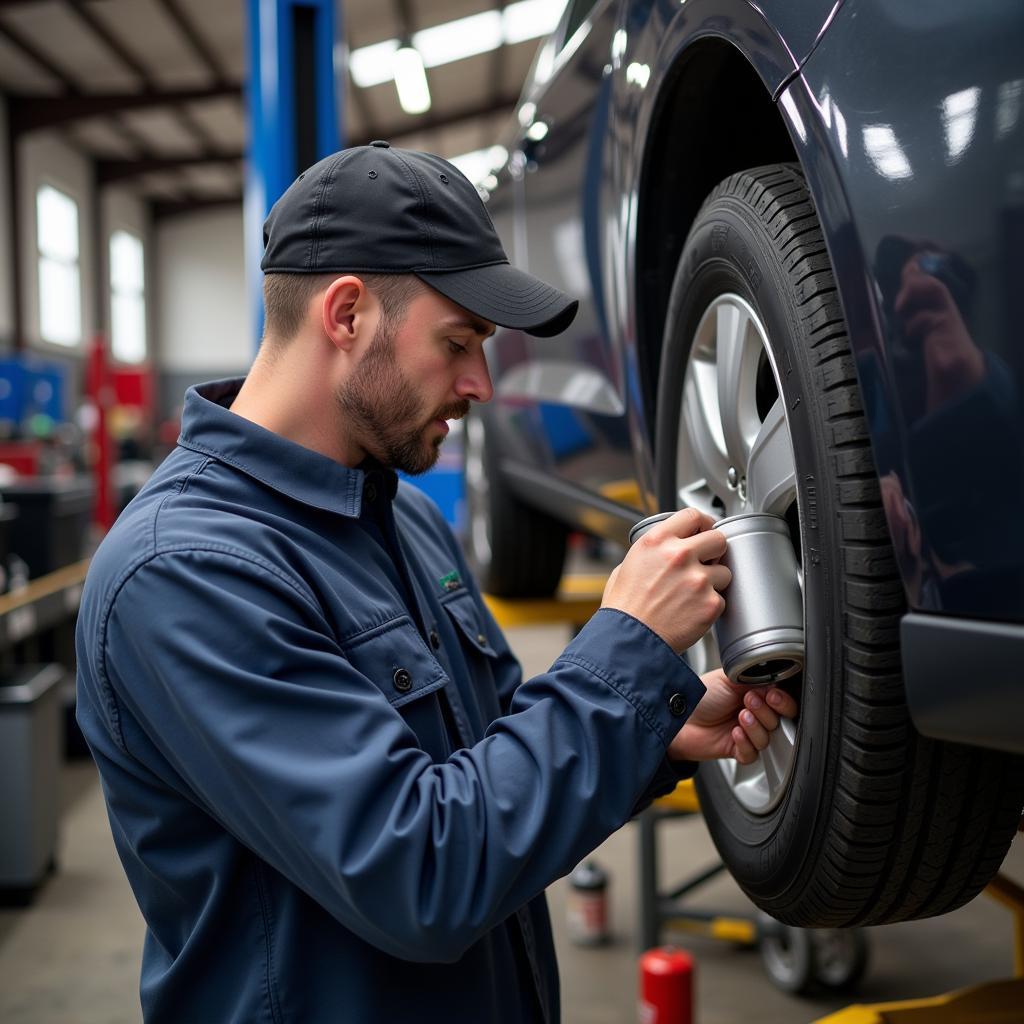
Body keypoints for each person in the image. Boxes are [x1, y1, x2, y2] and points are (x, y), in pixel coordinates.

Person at [75, 143, 798, 1023]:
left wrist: (652, 725)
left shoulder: (402, 517)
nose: (481, 385)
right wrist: (627, 650)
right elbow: (421, 873)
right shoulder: (186, 573)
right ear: (347, 314)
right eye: (458, 342)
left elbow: (490, 761)